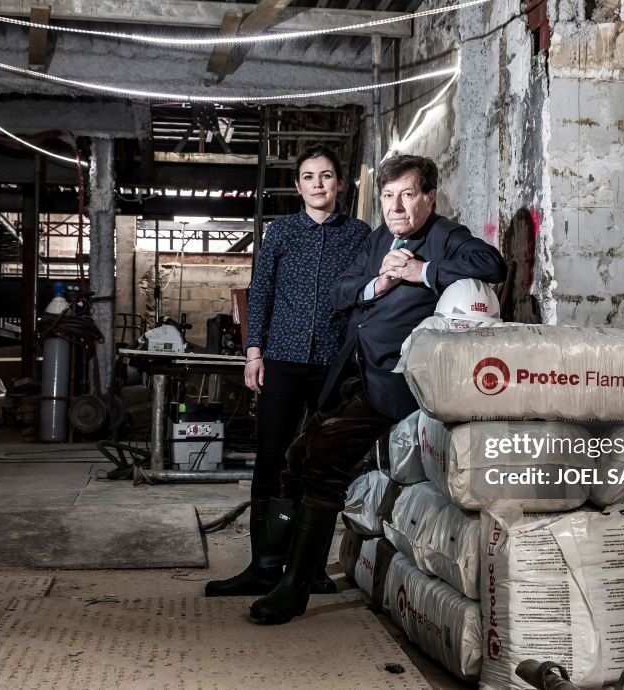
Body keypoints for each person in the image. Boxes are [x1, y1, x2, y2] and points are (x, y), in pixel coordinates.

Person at [248, 154, 508, 624]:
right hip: (351, 370)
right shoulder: (379, 240)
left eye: (408, 195)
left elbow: (491, 264)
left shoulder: (444, 236)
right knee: (294, 459)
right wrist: (381, 281)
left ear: (429, 197)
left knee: (323, 460)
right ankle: (268, 569)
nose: (397, 207)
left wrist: (420, 272)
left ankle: (294, 590)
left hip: (393, 379)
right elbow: (341, 292)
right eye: (388, 196)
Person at [205, 145, 370, 597]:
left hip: (335, 366)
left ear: (339, 183)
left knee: (321, 462)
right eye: (309, 176)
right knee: (272, 454)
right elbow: (260, 293)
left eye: (327, 175)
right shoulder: (281, 233)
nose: (318, 184)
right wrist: (253, 352)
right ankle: (262, 568)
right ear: (298, 186)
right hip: (281, 359)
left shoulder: (360, 235)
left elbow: (368, 295)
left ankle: (310, 570)